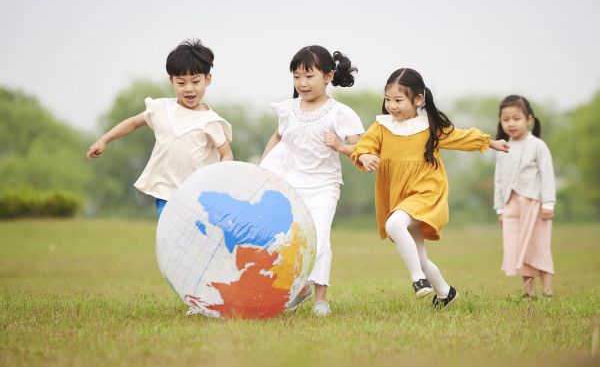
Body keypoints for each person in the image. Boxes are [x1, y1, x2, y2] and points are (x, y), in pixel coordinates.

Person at [351, 68, 510, 309]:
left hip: (426, 192)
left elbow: (461, 138)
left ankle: (417, 280)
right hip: (400, 197)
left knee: (394, 225)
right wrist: (364, 158)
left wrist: (491, 143)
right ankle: (446, 293)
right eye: (388, 99)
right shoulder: (382, 126)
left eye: (398, 100)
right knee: (420, 257)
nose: (391, 106)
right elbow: (363, 147)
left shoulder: (430, 126)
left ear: (417, 99)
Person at [259, 45, 365, 316]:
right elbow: (278, 137)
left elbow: (364, 148)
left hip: (323, 186)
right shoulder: (289, 109)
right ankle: (295, 289)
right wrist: (261, 168)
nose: (302, 83)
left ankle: (320, 298)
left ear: (328, 76)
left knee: (319, 238)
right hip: (289, 184)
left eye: (309, 76)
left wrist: (341, 146)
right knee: (286, 239)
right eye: (297, 77)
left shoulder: (339, 112)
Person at [86, 38, 233, 217]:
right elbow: (133, 123)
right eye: (181, 82)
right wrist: (104, 140)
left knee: (194, 240)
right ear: (171, 81)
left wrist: (219, 182)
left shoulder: (211, 122)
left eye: (195, 82)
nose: (188, 89)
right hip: (166, 194)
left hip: (198, 196)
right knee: (174, 236)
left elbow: (226, 154)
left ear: (207, 79)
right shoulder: (161, 109)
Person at [494, 95, 556, 301]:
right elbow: (499, 180)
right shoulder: (503, 148)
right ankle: (529, 294)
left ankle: (548, 292)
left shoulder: (538, 145)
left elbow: (547, 175)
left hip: (535, 205)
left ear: (529, 119)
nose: (511, 123)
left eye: (516, 118)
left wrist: (548, 203)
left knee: (538, 246)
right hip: (511, 205)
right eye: (506, 119)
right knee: (518, 247)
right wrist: (501, 209)